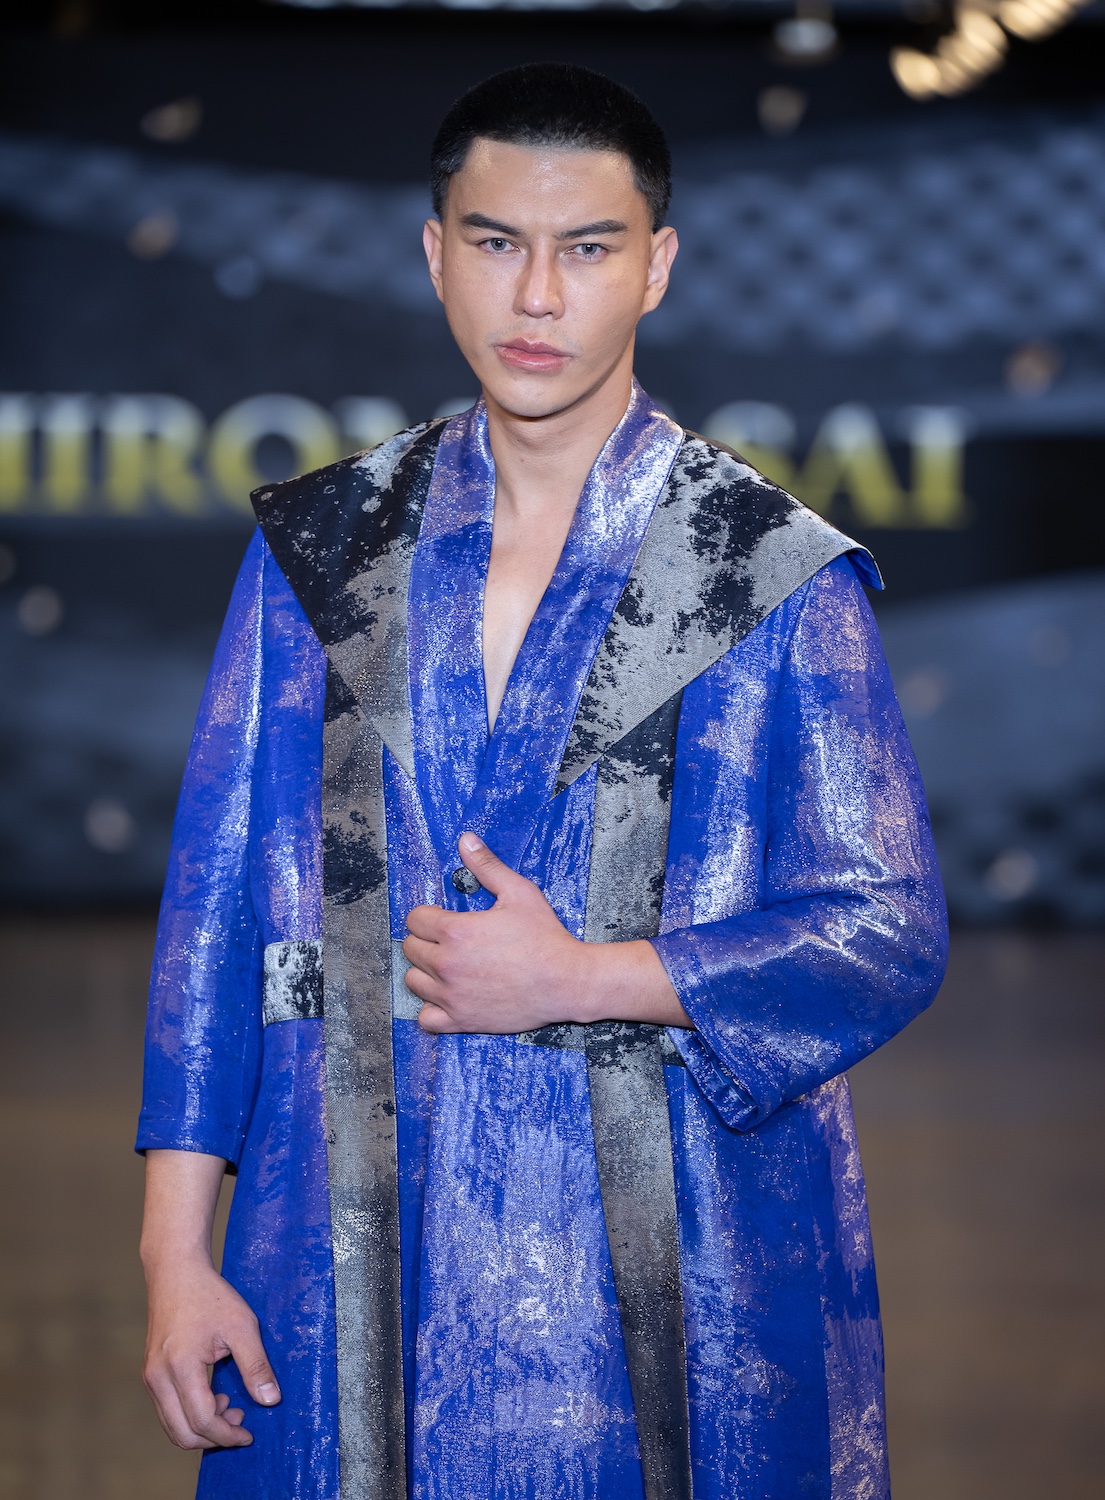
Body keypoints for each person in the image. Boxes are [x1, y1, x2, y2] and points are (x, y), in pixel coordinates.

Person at [137, 62, 947, 1500]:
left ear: (656, 267)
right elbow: (214, 925)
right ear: (433, 251)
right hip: (339, 1264)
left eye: (587, 249)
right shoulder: (321, 551)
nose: (535, 297)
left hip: (674, 1284)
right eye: (497, 241)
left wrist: (587, 977)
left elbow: (883, 927)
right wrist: (172, 1257)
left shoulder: (764, 573)